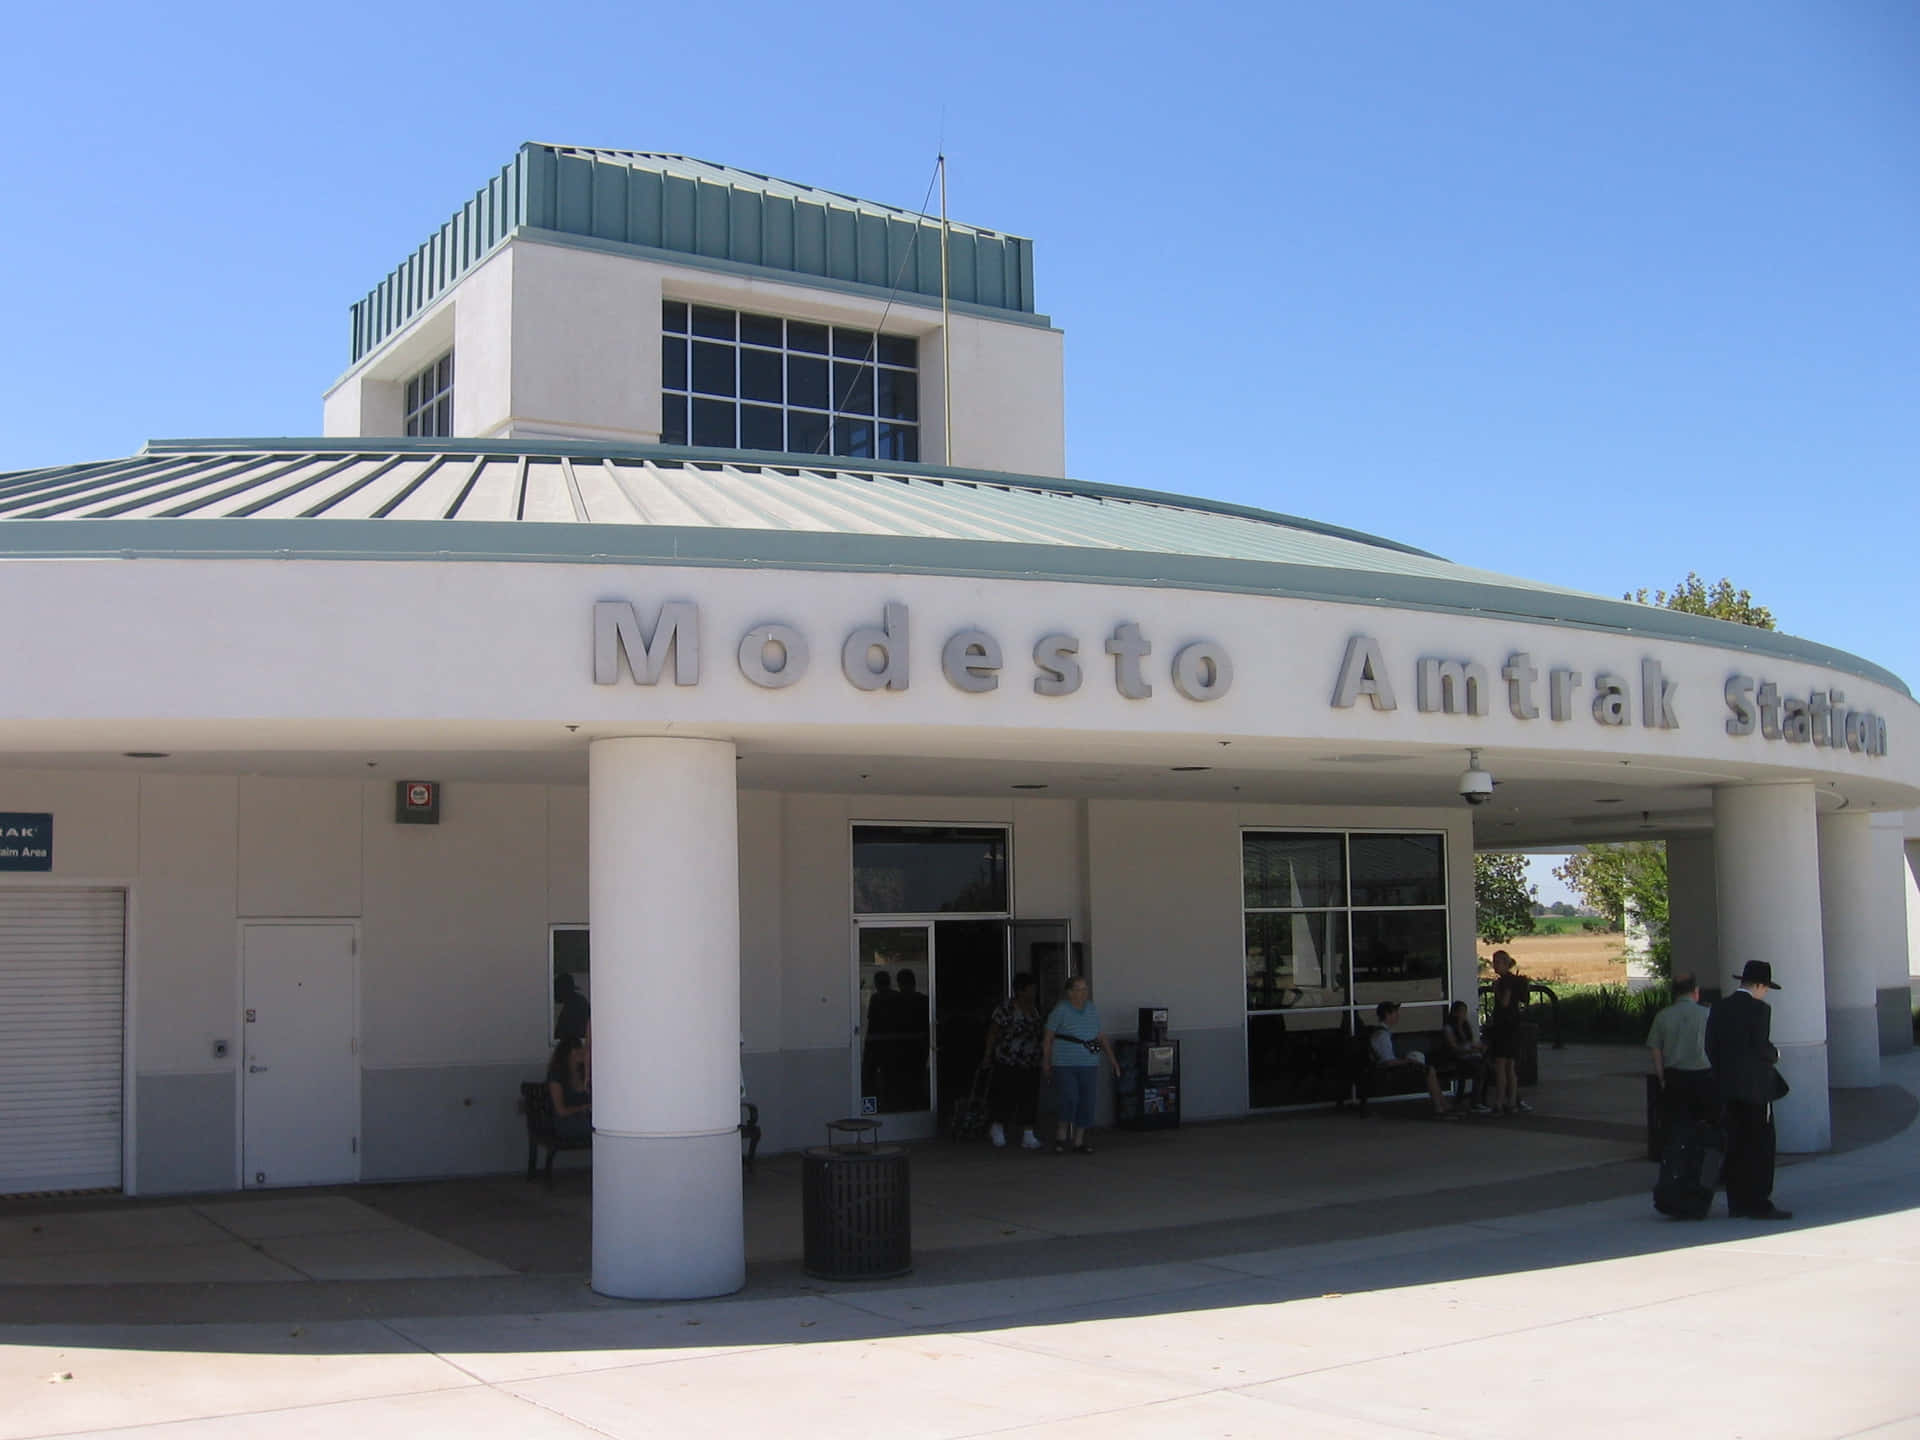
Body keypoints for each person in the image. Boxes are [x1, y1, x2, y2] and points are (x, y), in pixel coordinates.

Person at [1705, 960, 1791, 1220]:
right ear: (1759, 985)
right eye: (1765, 988)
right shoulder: (1760, 1010)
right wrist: (1774, 1054)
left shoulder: (1720, 1008)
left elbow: (1711, 1046)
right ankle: (1758, 1201)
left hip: (1727, 1088)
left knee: (1735, 1143)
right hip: (1756, 1089)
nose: (1765, 993)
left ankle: (1737, 1201)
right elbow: (1760, 1047)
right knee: (1760, 1145)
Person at [1042, 976, 1118, 1153]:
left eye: (1085, 989)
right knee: (1069, 1097)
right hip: (1064, 1062)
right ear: (1070, 992)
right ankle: (1061, 1133)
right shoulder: (1060, 1009)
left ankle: (1079, 1140)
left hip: (1089, 1062)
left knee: (1087, 1100)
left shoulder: (1091, 1009)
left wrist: (1112, 1059)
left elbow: (1100, 1035)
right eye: (1079, 989)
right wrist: (1046, 1061)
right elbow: (1048, 1037)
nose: (1083, 993)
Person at [980, 971, 1045, 1149]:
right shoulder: (1006, 1009)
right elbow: (993, 1032)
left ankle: (1028, 1133)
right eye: (1030, 989)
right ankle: (997, 1127)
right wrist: (987, 1055)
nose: (1033, 993)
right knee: (1005, 1095)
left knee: (1029, 1097)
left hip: (1031, 1060)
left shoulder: (1034, 1010)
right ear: (1020, 990)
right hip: (1008, 1059)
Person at [1646, 974, 1715, 1127]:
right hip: (1703, 1076)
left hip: (1675, 1076)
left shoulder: (1662, 1016)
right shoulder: (1707, 1014)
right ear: (1696, 991)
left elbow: (1655, 1048)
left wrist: (1662, 1076)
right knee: (1703, 1124)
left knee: (1677, 1124)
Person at [1370, 1001, 1459, 1117]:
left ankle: (1442, 1104)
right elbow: (1388, 1061)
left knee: (1429, 1069)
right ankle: (1440, 1105)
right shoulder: (1382, 1036)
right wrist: (1408, 1061)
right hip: (1389, 1070)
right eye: (1395, 1013)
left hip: (1390, 1067)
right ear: (1388, 1014)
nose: (1398, 1016)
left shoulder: (1382, 1033)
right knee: (1429, 1070)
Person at [1485, 950, 1533, 1115]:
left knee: (1500, 1066)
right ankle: (1512, 1101)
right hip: (1514, 1026)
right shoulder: (1514, 980)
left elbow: (1504, 1003)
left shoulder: (1505, 981)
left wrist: (1496, 990)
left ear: (1505, 963)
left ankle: (1499, 1101)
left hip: (1504, 1027)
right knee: (1510, 1067)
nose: (1494, 965)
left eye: (1497, 962)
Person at [1438, 999, 1492, 1113]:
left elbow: (1470, 1042)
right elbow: (1454, 1047)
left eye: (1464, 1012)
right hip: (1457, 1058)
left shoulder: (1465, 1026)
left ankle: (1480, 1099)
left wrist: (1477, 1048)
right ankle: (1475, 1102)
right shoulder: (1449, 1028)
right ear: (1455, 1013)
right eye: (1461, 1012)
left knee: (1487, 1067)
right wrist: (1469, 1048)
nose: (1463, 1015)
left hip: (1469, 1055)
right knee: (1480, 1068)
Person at [545, 1036, 592, 1142]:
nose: (582, 1051)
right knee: (596, 1128)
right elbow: (561, 1111)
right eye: (577, 1049)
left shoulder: (584, 1074)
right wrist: (582, 1108)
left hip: (583, 1118)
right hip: (566, 1122)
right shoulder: (557, 1075)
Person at [553, 972, 589, 1043]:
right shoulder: (579, 1002)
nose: (554, 995)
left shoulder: (572, 1008)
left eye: (556, 991)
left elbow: (560, 1035)